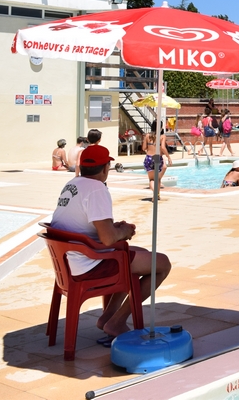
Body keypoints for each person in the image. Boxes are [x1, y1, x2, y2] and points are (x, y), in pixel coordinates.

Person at [50, 144, 172, 341]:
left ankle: (108, 317)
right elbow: (107, 239)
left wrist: (114, 228)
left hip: (70, 262)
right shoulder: (97, 189)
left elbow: (87, 225)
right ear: (105, 168)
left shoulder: (72, 184)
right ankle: (116, 321)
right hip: (88, 265)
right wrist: (124, 231)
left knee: (140, 255)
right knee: (162, 264)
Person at [142, 121, 170, 197]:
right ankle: (157, 194)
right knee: (157, 179)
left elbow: (144, 148)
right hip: (157, 157)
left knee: (151, 179)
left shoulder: (147, 136)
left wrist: (150, 147)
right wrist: (168, 157)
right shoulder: (162, 136)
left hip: (149, 158)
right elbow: (163, 148)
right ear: (160, 127)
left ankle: (155, 193)